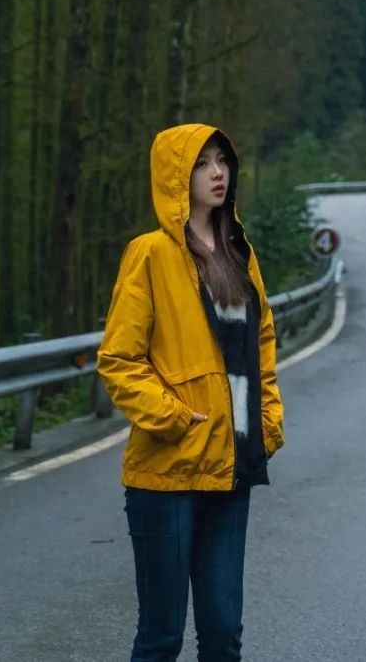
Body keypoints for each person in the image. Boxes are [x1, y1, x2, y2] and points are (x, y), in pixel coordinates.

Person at [98, 123, 284, 662]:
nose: (217, 173)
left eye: (222, 160)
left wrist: (267, 421)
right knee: (162, 637)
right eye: (202, 163)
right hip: (168, 473)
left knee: (224, 637)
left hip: (231, 466)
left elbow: (262, 344)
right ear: (176, 175)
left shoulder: (239, 252)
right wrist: (175, 418)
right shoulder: (150, 254)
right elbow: (119, 359)